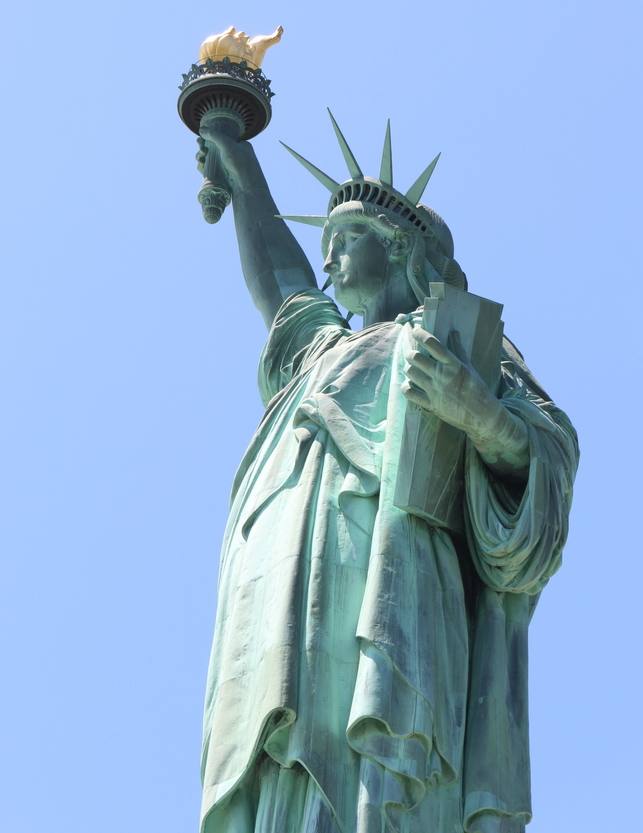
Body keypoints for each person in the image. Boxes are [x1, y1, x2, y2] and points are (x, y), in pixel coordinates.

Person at [195, 114, 578, 833]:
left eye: (345, 241)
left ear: (400, 249)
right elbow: (282, 288)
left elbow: (546, 464)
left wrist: (481, 416)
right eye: (326, 248)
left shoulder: (455, 342)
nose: (330, 262)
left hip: (395, 578)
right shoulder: (318, 351)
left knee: (374, 771)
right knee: (281, 755)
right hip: (280, 580)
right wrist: (237, 162)